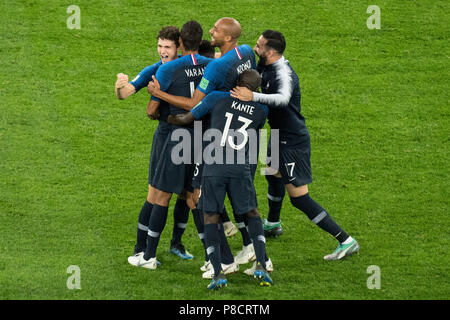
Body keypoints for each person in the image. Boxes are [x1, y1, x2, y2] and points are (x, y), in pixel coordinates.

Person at [231, 30, 360, 265]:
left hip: (292, 141)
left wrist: (253, 97)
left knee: (299, 197)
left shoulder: (283, 72)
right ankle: (273, 223)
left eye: (259, 46)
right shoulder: (266, 66)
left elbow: (282, 99)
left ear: (270, 52)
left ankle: (345, 240)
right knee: (272, 174)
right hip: (279, 134)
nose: (255, 49)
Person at [148, 17, 259, 268]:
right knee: (237, 195)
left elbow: (196, 103)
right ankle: (250, 248)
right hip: (244, 137)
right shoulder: (246, 52)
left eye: (217, 29)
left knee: (202, 197)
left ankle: (222, 260)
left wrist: (160, 95)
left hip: (214, 137)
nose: (212, 30)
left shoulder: (215, 70)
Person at [168, 69, 273, 289]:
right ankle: (262, 265)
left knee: (210, 217)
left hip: (214, 167)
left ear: (236, 83)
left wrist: (168, 117)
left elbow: (186, 118)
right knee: (251, 212)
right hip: (240, 169)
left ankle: (218, 273)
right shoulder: (262, 109)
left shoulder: (216, 97)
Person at [128, 20, 221, 269]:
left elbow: (150, 111)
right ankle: (215, 260)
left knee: (159, 196)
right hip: (203, 138)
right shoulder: (215, 66)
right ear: (202, 41)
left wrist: (161, 101)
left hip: (175, 138)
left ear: (179, 43)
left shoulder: (168, 69)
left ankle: (146, 255)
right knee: (193, 198)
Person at [114, 26, 193, 261]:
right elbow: (126, 93)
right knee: (157, 195)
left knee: (188, 193)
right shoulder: (155, 69)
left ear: (178, 46)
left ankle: (176, 244)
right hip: (167, 137)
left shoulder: (191, 65)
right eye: (160, 46)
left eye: (167, 47)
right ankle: (141, 250)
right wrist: (120, 85)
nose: (162, 51)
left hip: (190, 137)